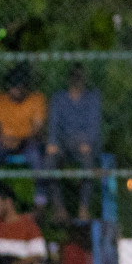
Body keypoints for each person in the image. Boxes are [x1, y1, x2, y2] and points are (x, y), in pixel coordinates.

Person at [45, 64, 103, 218]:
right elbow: (54, 124)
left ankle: (83, 208)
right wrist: (52, 143)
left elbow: (93, 125)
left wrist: (88, 143)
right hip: (63, 144)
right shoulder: (59, 98)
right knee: (50, 163)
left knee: (88, 163)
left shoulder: (92, 98)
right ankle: (59, 209)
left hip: (83, 145)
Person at [0, 65, 46, 172]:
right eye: (15, 87)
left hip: (27, 143)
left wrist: (20, 141)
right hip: (2, 142)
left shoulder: (36, 99)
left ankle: (42, 189)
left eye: (22, 86)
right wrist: (4, 140)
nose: (18, 90)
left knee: (37, 154)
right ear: (9, 87)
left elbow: (38, 129)